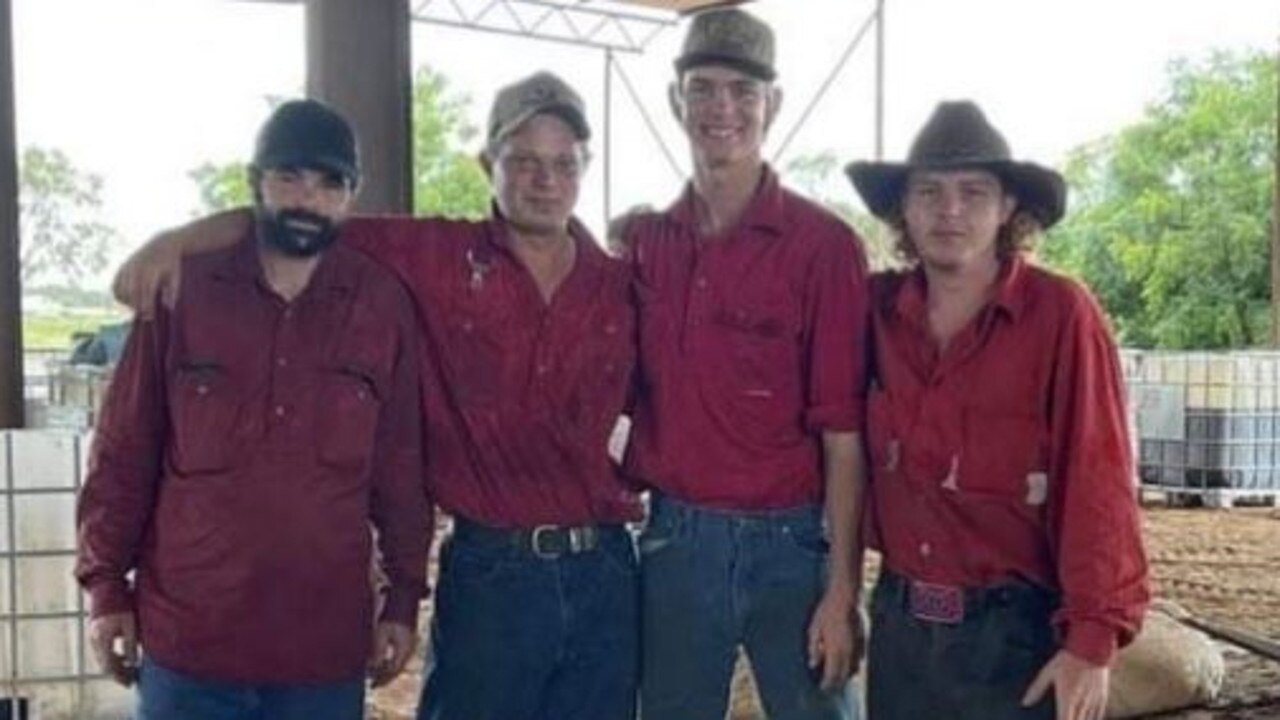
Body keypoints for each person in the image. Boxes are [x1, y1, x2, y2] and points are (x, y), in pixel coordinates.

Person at [111, 72, 639, 720]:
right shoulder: (430, 254)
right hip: (491, 568)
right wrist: (176, 241)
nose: (545, 179)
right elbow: (297, 221)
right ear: (487, 165)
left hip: (607, 568)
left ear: (585, 167)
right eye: (523, 160)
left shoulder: (621, 284)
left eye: (564, 163)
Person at [75, 99, 430, 719]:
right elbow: (124, 452)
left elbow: (401, 470)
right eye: (288, 177)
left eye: (329, 183)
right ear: (253, 183)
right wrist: (105, 590)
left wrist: (402, 598)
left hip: (321, 654)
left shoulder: (381, 308)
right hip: (189, 647)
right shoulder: (183, 291)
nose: (307, 199)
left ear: (351, 195)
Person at [844, 100, 1150, 720]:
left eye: (973, 192)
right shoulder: (872, 312)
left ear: (1009, 206)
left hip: (1015, 632)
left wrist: (1091, 640)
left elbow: (1098, 479)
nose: (949, 210)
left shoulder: (1061, 315)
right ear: (903, 206)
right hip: (901, 624)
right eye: (928, 190)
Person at [619, 7, 869, 719]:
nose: (721, 108)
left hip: (791, 543)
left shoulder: (823, 248)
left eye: (742, 90)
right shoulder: (647, 244)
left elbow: (843, 435)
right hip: (675, 540)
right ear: (677, 102)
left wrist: (842, 588)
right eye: (702, 88)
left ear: (773, 103)